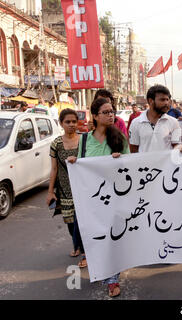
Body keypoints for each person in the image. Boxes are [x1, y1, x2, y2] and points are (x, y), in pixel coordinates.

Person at [67, 97, 130, 298]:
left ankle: (112, 280)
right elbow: (82, 165)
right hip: (92, 199)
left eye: (112, 111)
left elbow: (130, 167)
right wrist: (74, 162)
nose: (110, 115)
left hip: (114, 198)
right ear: (95, 116)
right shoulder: (84, 139)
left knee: (112, 239)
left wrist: (120, 161)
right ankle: (100, 271)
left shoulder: (119, 138)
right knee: (96, 238)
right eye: (105, 112)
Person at [47, 109, 81, 258]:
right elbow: (54, 169)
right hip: (65, 190)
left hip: (84, 188)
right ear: (61, 123)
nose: (71, 125)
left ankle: (83, 247)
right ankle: (76, 245)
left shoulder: (84, 140)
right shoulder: (56, 144)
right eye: (68, 122)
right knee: (70, 222)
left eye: (74, 121)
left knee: (84, 220)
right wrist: (50, 192)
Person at [129, 85, 182, 153]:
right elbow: (133, 150)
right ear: (151, 101)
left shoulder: (174, 122)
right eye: (162, 100)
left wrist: (179, 148)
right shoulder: (136, 123)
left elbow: (177, 144)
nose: (166, 103)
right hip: (144, 163)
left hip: (166, 163)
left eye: (167, 99)